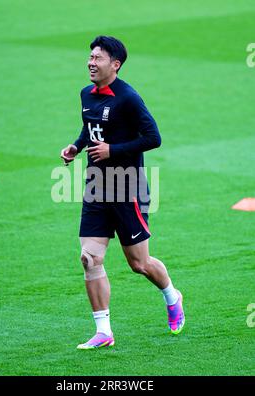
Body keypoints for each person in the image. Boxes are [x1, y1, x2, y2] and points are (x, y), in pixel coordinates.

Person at [61, 36, 185, 350]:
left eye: (98, 58)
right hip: (95, 189)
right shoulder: (85, 94)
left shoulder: (128, 98)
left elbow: (153, 137)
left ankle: (172, 295)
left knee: (139, 263)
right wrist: (78, 146)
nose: (91, 62)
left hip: (127, 187)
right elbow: (90, 129)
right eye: (90, 57)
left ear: (114, 64)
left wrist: (113, 150)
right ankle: (104, 331)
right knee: (90, 259)